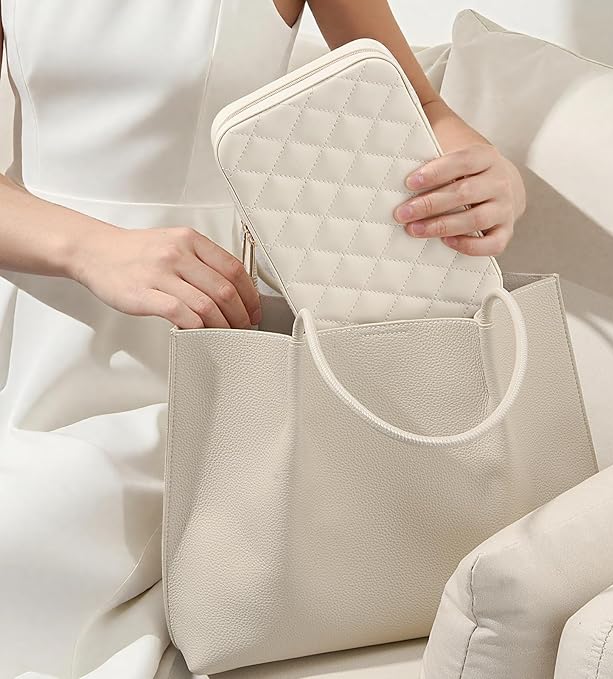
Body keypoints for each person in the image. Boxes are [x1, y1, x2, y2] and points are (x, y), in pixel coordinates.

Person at [0, 1, 526, 677]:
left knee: (39, 515)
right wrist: (90, 250)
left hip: (193, 344)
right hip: (32, 317)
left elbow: (421, 109)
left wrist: (491, 180)